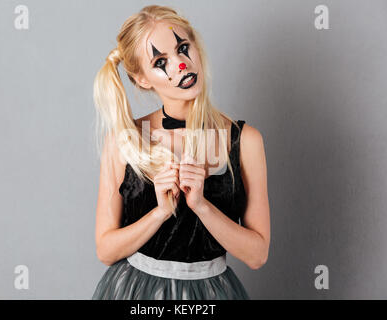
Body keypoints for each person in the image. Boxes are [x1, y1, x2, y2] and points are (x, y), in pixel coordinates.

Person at [91, 5, 270, 300]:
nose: (181, 64)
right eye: (161, 61)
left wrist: (201, 205)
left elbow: (257, 255)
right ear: (142, 79)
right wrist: (160, 213)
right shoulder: (124, 141)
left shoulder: (245, 141)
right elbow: (105, 250)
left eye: (183, 48)